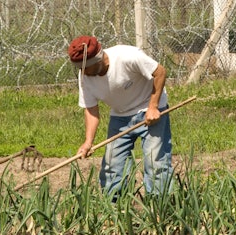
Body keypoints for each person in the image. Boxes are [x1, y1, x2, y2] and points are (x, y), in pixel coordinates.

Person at [67, 35, 173, 201]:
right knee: (112, 164)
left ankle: (159, 206)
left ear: (98, 59)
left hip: (150, 108)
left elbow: (160, 72)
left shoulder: (127, 56)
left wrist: (153, 107)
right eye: (80, 68)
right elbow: (91, 110)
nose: (83, 72)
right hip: (120, 116)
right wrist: (88, 142)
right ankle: (115, 208)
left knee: (155, 160)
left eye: (85, 68)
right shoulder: (85, 77)